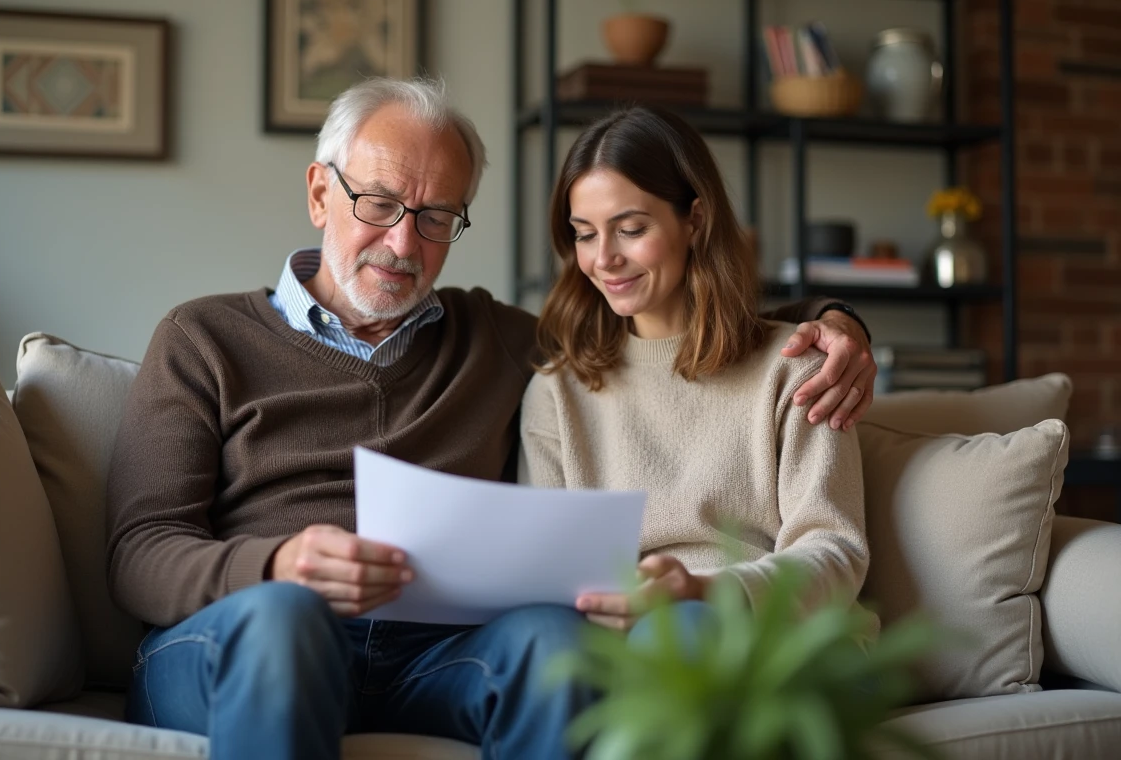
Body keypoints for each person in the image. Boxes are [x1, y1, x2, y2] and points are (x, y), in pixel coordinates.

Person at [105, 78, 877, 760]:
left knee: (552, 643)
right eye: (378, 203)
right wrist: (272, 567)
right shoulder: (202, 338)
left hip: (433, 657)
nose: (404, 241)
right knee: (284, 621)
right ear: (318, 194)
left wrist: (835, 323)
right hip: (251, 636)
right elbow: (139, 553)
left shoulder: (503, 342)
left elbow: (668, 325)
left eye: (437, 216)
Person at [520, 105, 872, 638]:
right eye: (584, 234)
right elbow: (548, 573)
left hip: (779, 641)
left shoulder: (798, 368)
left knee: (685, 632)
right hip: (630, 651)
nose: (604, 258)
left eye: (631, 229)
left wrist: (705, 591)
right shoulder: (556, 394)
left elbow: (835, 553)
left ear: (696, 220)